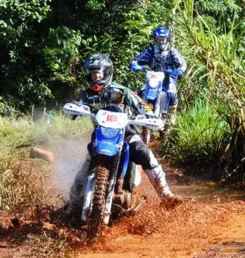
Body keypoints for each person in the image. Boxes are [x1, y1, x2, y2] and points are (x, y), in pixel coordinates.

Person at [66, 53, 181, 216]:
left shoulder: (121, 91)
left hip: (125, 133)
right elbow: (76, 107)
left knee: (145, 153)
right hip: (101, 135)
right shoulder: (86, 94)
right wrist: (74, 108)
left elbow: (142, 105)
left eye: (97, 73)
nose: (95, 77)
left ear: (106, 73)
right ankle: (71, 207)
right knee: (84, 170)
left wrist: (151, 116)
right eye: (92, 74)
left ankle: (166, 194)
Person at [129, 26, 187, 126]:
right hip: (153, 77)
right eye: (159, 39)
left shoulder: (171, 50)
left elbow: (182, 63)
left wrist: (179, 71)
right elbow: (136, 59)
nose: (161, 42)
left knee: (172, 93)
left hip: (168, 77)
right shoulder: (151, 50)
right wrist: (136, 66)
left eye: (163, 39)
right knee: (141, 93)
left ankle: (171, 116)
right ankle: (142, 112)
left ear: (167, 39)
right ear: (155, 39)